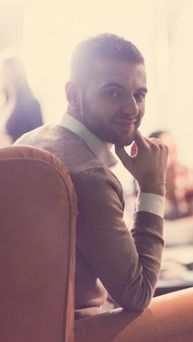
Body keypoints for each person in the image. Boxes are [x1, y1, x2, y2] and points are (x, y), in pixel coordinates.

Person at [16, 33, 168, 319]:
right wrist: (152, 187)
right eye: (113, 92)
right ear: (73, 95)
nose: (132, 109)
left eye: (139, 95)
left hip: (18, 329)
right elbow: (137, 294)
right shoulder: (90, 176)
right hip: (74, 333)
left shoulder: (29, 141)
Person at [149, 130, 193, 220]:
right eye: (167, 150)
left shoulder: (189, 177)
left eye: (174, 149)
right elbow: (139, 215)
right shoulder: (142, 178)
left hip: (183, 230)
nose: (173, 156)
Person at [0, 56, 42, 144]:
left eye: (6, 72)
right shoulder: (6, 102)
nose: (3, 76)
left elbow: (37, 138)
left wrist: (10, 140)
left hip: (17, 154)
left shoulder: (31, 104)